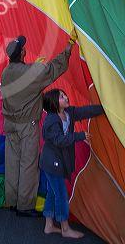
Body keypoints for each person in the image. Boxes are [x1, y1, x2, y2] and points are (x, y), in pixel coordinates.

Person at [1, 33, 76, 217]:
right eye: (24, 47)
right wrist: (68, 48)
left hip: (10, 125)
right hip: (27, 126)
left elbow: (24, 79)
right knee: (28, 164)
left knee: (12, 163)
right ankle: (24, 206)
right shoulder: (31, 72)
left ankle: (11, 201)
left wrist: (34, 67)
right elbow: (53, 69)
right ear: (22, 53)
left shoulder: (6, 73)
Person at [40, 89, 104, 238]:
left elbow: (84, 111)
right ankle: (65, 228)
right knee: (61, 194)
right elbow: (59, 140)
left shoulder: (68, 113)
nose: (66, 97)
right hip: (52, 163)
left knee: (52, 192)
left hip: (58, 161)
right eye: (62, 96)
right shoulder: (51, 120)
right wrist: (79, 136)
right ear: (55, 103)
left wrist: (103, 109)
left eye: (65, 95)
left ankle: (49, 225)